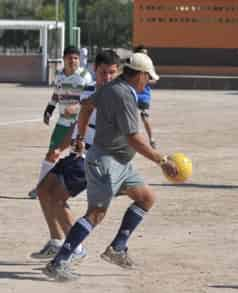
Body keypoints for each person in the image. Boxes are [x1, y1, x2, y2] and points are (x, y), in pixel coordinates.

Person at [42, 52, 178, 282]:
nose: (148, 82)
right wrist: (162, 160)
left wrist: (81, 137)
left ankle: (117, 248)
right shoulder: (123, 96)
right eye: (148, 77)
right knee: (96, 214)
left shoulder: (112, 87)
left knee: (146, 197)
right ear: (140, 75)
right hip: (105, 163)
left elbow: (85, 106)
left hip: (121, 163)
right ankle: (58, 262)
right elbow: (133, 137)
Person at [30, 50, 121, 262]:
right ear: (95, 71)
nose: (107, 77)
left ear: (118, 73)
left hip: (93, 159)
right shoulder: (88, 91)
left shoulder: (118, 98)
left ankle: (76, 248)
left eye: (111, 73)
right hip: (77, 155)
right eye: (102, 73)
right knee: (43, 190)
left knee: (59, 198)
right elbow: (77, 124)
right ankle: (56, 241)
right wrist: (60, 148)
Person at [28, 46, 93, 199]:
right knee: (51, 154)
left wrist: (76, 106)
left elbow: (91, 99)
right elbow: (56, 94)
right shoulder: (59, 75)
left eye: (76, 58)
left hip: (79, 125)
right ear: (64, 59)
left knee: (77, 158)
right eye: (70, 58)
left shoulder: (85, 76)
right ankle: (40, 188)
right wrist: (49, 109)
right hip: (62, 123)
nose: (73, 61)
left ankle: (71, 191)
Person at [133, 44, 157, 148]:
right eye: (143, 53)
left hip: (144, 96)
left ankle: (151, 139)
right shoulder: (132, 65)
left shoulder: (149, 66)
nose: (145, 55)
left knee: (144, 116)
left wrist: (145, 80)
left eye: (146, 54)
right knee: (129, 115)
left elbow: (154, 80)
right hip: (132, 93)